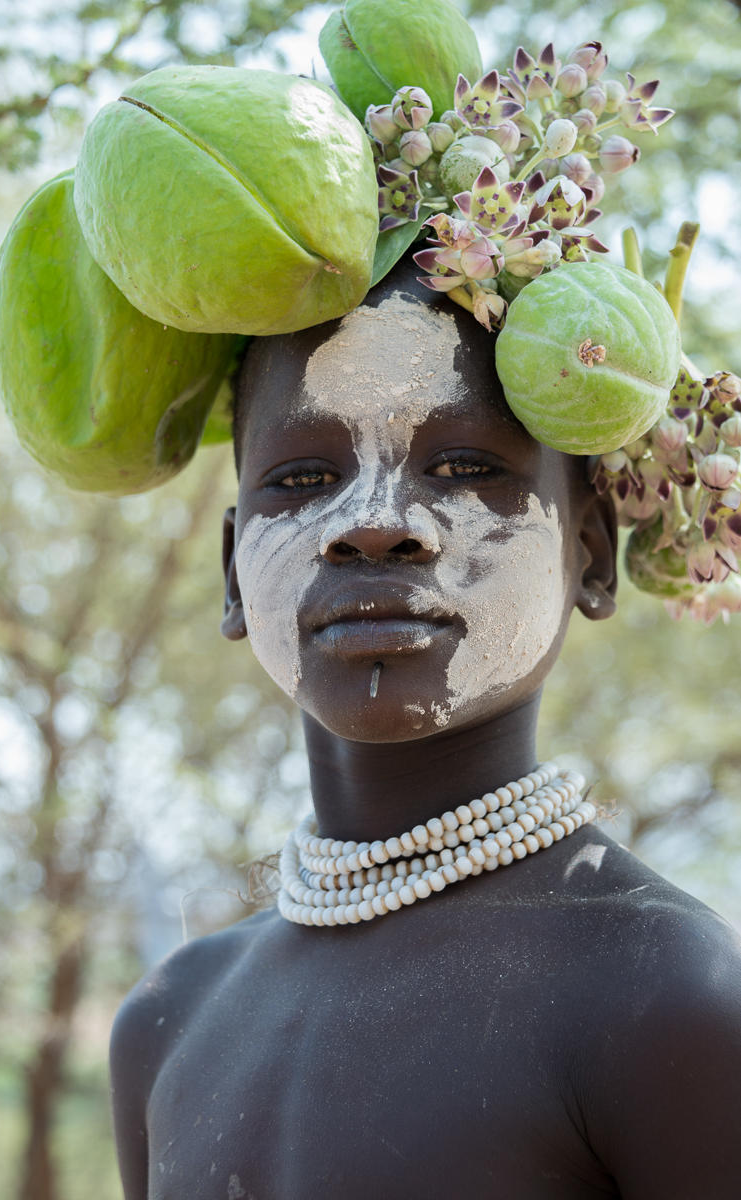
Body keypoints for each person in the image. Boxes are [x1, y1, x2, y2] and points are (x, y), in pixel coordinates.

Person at [108, 259, 741, 1199]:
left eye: (464, 467)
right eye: (304, 476)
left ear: (591, 555)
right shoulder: (167, 1021)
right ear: (234, 577)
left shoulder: (669, 998)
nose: (372, 525)